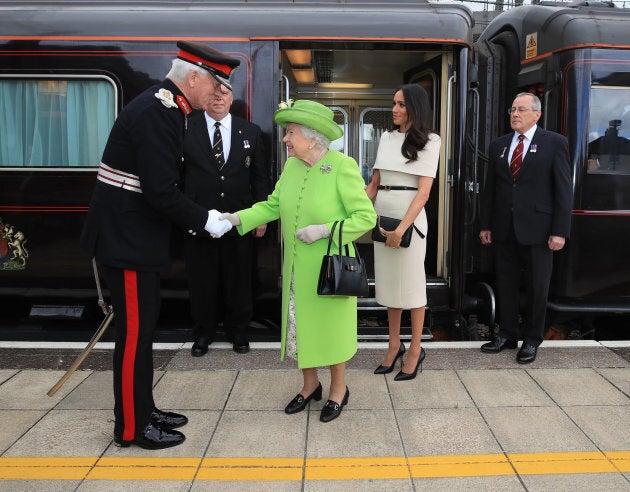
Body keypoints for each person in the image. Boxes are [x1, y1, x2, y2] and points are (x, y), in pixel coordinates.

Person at [80, 41, 239, 449]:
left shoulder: (169, 109)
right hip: (128, 242)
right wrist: (207, 220)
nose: (218, 95)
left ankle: (145, 409)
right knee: (135, 337)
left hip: (136, 240)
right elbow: (161, 191)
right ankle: (132, 428)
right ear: (192, 78)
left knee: (143, 332)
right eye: (214, 85)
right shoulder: (158, 111)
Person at [219, 99, 376, 422]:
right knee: (300, 328)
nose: (286, 140)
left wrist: (323, 230)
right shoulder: (292, 167)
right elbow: (273, 205)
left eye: (290, 133)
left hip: (329, 270)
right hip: (295, 270)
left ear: (312, 136)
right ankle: (309, 386)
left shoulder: (341, 166)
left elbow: (366, 218)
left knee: (331, 331)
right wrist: (235, 219)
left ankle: (338, 390)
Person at [479, 92, 573, 364]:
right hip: (504, 228)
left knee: (537, 286)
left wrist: (560, 230)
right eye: (512, 109)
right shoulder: (499, 145)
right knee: (506, 283)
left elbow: (563, 190)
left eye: (521, 110)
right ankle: (507, 334)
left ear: (537, 114)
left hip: (540, 230)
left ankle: (532, 339)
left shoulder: (555, 143)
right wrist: (486, 224)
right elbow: (491, 190)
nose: (515, 114)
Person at [183, 84, 271, 356]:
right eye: (214, 92)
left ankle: (238, 332)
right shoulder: (186, 129)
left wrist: (261, 216)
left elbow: (260, 177)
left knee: (239, 279)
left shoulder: (251, 132)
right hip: (199, 220)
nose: (219, 97)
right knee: (202, 280)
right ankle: (204, 333)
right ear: (205, 97)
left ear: (232, 98)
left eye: (225, 93)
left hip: (239, 219)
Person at [365, 84, 440, 381]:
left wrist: (401, 229)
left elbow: (423, 194)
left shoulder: (430, 140)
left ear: (415, 108)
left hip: (410, 220)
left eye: (400, 104)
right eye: (393, 103)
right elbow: (372, 186)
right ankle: (394, 344)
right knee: (389, 288)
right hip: (384, 215)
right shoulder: (385, 138)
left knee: (412, 288)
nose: (394, 109)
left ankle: (415, 350)